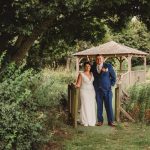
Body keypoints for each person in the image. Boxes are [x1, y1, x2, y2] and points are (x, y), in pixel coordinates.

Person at [91, 54, 116, 127]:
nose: (99, 60)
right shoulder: (93, 67)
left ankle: (110, 121)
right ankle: (100, 121)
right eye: (97, 59)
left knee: (109, 106)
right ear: (96, 60)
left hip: (107, 90)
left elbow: (114, 77)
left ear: (103, 59)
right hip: (98, 90)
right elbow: (89, 74)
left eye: (100, 59)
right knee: (99, 106)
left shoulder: (108, 66)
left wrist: (110, 85)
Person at [75, 62, 96, 126]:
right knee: (85, 105)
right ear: (84, 67)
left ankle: (91, 120)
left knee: (91, 105)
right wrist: (76, 86)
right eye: (86, 66)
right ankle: (85, 121)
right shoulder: (81, 74)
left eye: (89, 66)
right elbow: (78, 84)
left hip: (92, 91)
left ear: (90, 67)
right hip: (84, 91)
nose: (88, 68)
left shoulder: (92, 74)